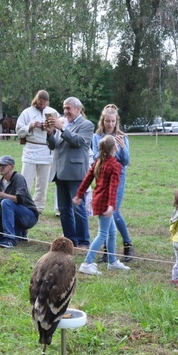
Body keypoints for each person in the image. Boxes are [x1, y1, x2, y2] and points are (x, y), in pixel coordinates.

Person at [75, 135, 129, 275]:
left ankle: (112, 261)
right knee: (103, 233)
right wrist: (111, 205)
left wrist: (79, 195)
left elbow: (87, 180)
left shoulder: (98, 162)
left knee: (112, 232)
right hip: (105, 203)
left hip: (98, 200)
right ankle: (87, 263)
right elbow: (113, 187)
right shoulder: (115, 165)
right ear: (115, 148)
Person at [46, 97, 93, 248]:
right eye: (64, 108)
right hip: (60, 172)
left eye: (69, 108)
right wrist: (49, 134)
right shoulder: (63, 124)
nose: (66, 111)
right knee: (64, 208)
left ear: (78, 109)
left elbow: (79, 142)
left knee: (78, 208)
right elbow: (54, 146)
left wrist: (61, 129)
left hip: (75, 173)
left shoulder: (87, 125)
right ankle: (70, 239)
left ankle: (83, 240)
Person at [93, 104, 134, 263]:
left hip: (118, 176)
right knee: (105, 211)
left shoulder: (122, 137)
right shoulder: (97, 136)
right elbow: (96, 157)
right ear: (103, 121)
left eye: (113, 121)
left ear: (116, 121)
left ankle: (127, 244)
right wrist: (103, 149)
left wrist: (122, 148)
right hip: (102, 176)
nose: (110, 124)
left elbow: (126, 161)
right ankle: (108, 251)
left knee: (114, 211)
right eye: (107, 121)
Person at [16, 90, 59, 213]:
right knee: (26, 180)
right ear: (36, 100)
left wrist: (51, 129)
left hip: (45, 150)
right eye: (40, 103)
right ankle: (24, 204)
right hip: (31, 149)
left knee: (42, 182)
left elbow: (60, 127)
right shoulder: (27, 113)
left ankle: (38, 207)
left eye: (44, 103)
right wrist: (31, 126)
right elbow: (19, 130)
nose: (42, 105)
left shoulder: (52, 112)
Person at [0, 155, 39, 248]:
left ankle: (10, 239)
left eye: (4, 165)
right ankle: (21, 233)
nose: (0, 168)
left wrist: (1, 194)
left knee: (6, 202)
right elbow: (2, 209)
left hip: (29, 216)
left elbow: (20, 199)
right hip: (15, 219)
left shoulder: (18, 178)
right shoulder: (2, 182)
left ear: (11, 167)